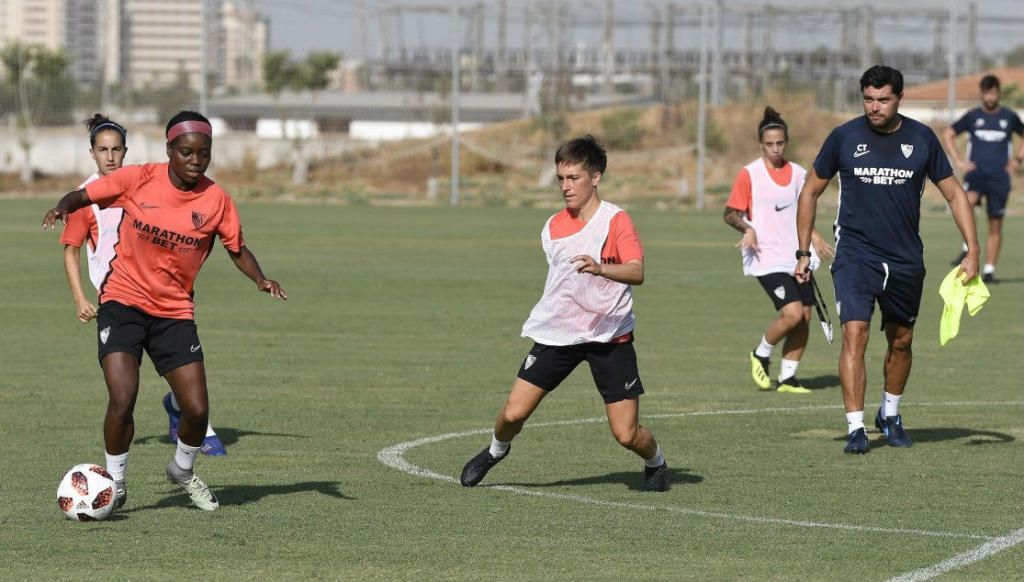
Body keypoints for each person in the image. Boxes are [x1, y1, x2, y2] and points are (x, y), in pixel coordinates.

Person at [43, 111, 287, 510]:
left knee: (196, 408)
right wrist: (60, 206)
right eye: (187, 152)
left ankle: (182, 470)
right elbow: (83, 196)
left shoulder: (216, 200)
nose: (196, 160)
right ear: (169, 150)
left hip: (174, 312)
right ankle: (116, 483)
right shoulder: (137, 178)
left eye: (204, 154)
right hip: (122, 302)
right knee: (123, 397)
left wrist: (260, 279)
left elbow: (237, 249)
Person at [460, 135, 669, 491]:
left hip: (610, 337)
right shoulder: (553, 227)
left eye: (574, 178)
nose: (565, 186)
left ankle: (657, 463)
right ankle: (496, 450)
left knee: (626, 434)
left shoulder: (616, 221)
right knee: (513, 413)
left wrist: (600, 268)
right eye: (561, 178)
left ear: (596, 177)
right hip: (560, 333)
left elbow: (637, 272)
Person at [794, 66, 980, 454]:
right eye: (868, 99)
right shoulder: (844, 137)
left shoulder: (922, 138)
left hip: (905, 258)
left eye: (883, 100)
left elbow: (955, 195)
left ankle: (890, 414)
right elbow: (809, 192)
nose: (874, 107)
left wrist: (972, 250)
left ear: (899, 98)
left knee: (902, 340)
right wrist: (802, 251)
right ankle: (855, 427)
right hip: (856, 253)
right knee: (855, 333)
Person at [60, 114, 228, 457]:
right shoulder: (87, 197)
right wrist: (79, 297)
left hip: (166, 297)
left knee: (189, 384)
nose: (110, 157)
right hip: (119, 298)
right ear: (91, 153)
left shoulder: (144, 182)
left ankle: (184, 412)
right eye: (103, 150)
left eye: (116, 149)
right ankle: (121, 468)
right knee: (122, 395)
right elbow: (71, 249)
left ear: (125, 151)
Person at [724, 107, 834, 394]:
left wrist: (817, 238)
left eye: (780, 143)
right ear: (761, 144)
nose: (775, 148)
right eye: (769, 144)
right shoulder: (750, 173)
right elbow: (730, 213)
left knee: (806, 316)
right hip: (766, 258)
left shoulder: (799, 173)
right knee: (793, 313)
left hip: (797, 255)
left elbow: (803, 211)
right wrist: (747, 228)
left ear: (786, 142)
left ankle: (788, 378)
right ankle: (760, 353)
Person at [941, 74, 1024, 284]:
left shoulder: (1009, 117)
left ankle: (989, 270)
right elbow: (948, 133)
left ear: (998, 93)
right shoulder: (972, 117)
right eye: (987, 92)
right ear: (982, 93)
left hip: (999, 178)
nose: (990, 96)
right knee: (966, 203)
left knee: (995, 224)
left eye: (993, 92)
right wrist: (958, 160)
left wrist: (1018, 159)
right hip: (976, 175)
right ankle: (967, 247)